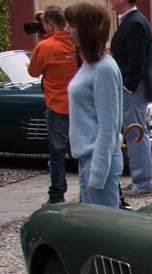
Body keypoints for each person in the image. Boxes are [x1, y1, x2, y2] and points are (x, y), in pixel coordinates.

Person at [65, 2, 123, 208]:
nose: (66, 30)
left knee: (106, 232)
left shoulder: (103, 68)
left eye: (71, 25)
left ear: (85, 29)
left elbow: (108, 125)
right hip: (87, 159)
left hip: (99, 162)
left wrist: (97, 173)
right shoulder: (90, 65)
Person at [27, 6, 78, 207]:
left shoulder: (45, 47)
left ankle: (57, 195)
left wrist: (43, 38)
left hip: (56, 106)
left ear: (49, 24)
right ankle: (87, 194)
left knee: (56, 155)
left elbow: (33, 71)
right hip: (77, 107)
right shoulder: (75, 43)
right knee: (80, 154)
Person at [110, 0, 152, 199]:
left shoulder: (135, 22)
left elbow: (137, 61)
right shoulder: (133, 20)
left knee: (136, 133)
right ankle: (141, 180)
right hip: (133, 87)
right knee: (135, 132)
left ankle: (143, 182)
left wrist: (128, 86)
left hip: (133, 89)